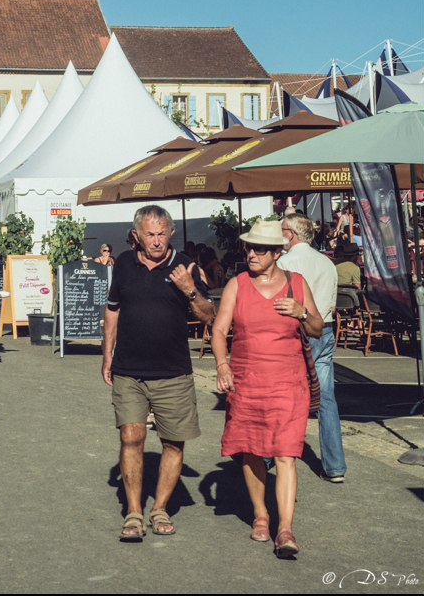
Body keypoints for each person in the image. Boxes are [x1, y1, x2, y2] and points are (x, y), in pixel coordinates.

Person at [102, 204, 214, 540]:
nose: (156, 241)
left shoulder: (186, 265)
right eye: (149, 234)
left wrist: (189, 289)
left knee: (173, 443)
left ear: (171, 232)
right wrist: (106, 355)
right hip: (129, 370)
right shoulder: (123, 263)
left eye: (161, 233)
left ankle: (160, 507)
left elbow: (209, 315)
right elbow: (112, 311)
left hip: (173, 372)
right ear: (137, 235)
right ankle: (134, 512)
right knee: (131, 436)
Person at [212, 219, 323, 558]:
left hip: (289, 383)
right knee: (249, 449)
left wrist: (302, 312)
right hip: (246, 381)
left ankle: (285, 529)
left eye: (260, 248)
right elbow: (219, 331)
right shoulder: (237, 284)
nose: (252, 253)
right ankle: (260, 514)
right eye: (249, 247)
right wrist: (222, 364)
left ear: (277, 252)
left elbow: (318, 328)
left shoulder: (297, 283)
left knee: (286, 453)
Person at [280, 212, 346, 484]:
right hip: (325, 328)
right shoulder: (327, 262)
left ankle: (270, 456)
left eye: (282, 229)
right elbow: (331, 303)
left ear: (291, 234)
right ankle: (335, 466)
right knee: (326, 398)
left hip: (298, 329)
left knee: (285, 394)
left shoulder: (285, 262)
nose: (279, 234)